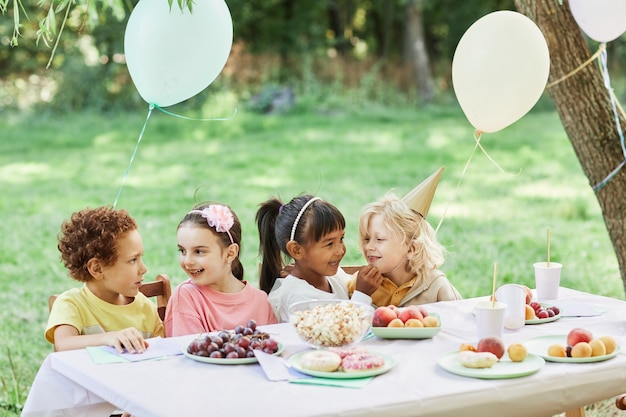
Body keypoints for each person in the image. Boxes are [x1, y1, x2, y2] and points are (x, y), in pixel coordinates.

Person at [46, 206, 164, 354]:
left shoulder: (146, 309)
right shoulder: (71, 304)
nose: (143, 268)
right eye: (133, 260)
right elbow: (63, 344)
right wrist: (109, 338)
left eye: (141, 257)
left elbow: (161, 354)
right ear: (97, 269)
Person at [256, 193, 382, 322]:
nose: (340, 250)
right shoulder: (295, 297)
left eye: (341, 239)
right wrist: (362, 295)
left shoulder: (334, 276)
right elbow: (334, 335)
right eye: (329, 244)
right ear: (297, 250)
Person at [348, 167, 462, 306]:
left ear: (411, 249)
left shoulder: (436, 286)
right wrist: (362, 294)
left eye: (380, 239)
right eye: (367, 239)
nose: (369, 246)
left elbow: (460, 321)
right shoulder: (360, 285)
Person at [165, 203, 277, 336]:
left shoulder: (261, 301)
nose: (188, 261)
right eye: (182, 250)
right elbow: (190, 352)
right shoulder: (186, 296)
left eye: (199, 251)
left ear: (230, 253)